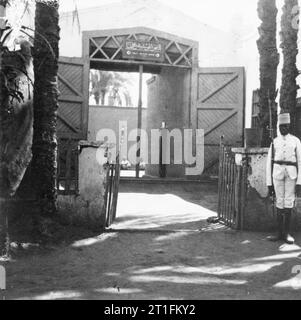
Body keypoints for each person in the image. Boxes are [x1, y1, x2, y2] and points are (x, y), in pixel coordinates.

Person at [266, 113, 301, 244]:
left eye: (285, 126)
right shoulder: (274, 142)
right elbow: (269, 163)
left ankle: (287, 233)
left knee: (288, 202)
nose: (283, 129)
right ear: (278, 127)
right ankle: (278, 233)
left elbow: (300, 161)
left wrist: (299, 182)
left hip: (292, 174)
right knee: (279, 201)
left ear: (289, 126)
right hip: (277, 174)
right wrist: (269, 184)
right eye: (281, 126)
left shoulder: (296, 141)